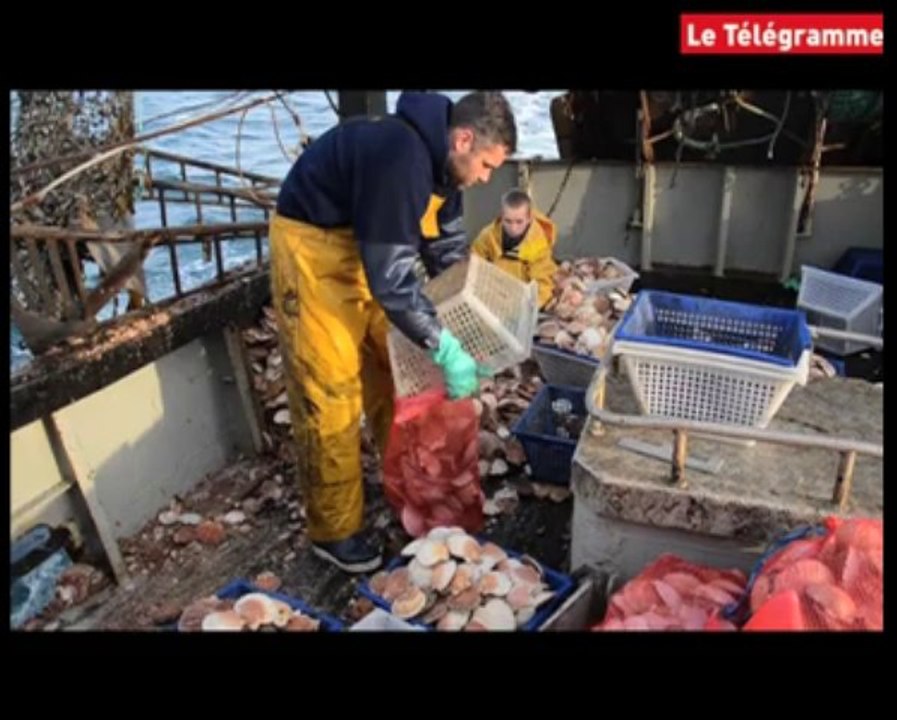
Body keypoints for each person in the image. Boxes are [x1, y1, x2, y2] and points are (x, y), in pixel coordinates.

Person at [269, 91, 517, 572]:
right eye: (487, 165)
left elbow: (445, 248)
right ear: (463, 139)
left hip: (365, 249)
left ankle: (406, 488)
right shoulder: (401, 158)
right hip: (313, 252)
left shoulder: (446, 170)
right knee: (331, 391)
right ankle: (334, 531)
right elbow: (393, 278)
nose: (487, 177)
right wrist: (443, 345)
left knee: (396, 372)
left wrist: (472, 324)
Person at [471, 188, 558, 309]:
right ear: (501, 216)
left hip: (522, 299)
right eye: (508, 221)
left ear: (529, 218)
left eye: (519, 222)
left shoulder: (538, 244)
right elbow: (472, 264)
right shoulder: (488, 236)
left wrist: (530, 307)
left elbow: (543, 284)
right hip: (492, 295)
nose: (513, 228)